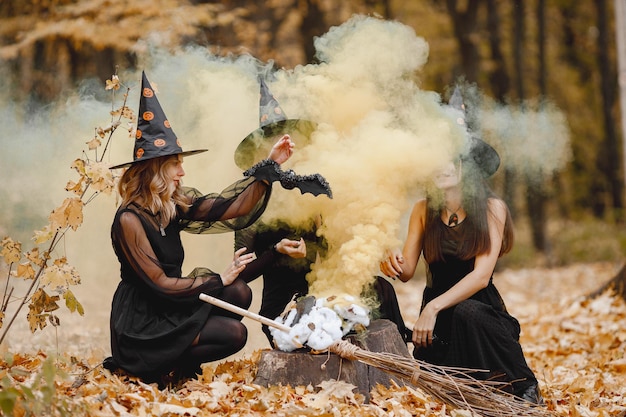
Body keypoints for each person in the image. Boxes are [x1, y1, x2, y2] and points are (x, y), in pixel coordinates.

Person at [103, 72, 297, 387]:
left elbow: (232, 207)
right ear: (154, 170)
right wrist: (217, 279)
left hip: (170, 305)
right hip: (144, 323)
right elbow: (161, 284)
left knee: (238, 292)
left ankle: (179, 366)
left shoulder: (173, 203)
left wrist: (269, 166)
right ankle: (163, 364)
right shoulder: (129, 220)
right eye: (174, 164)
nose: (182, 171)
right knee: (235, 332)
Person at [379, 89, 543, 404]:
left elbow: (481, 276)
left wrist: (433, 306)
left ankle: (525, 387)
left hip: (482, 320)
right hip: (438, 327)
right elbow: (406, 272)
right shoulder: (422, 210)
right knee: (451, 395)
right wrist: (389, 256)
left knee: (468, 312)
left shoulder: (492, 208)